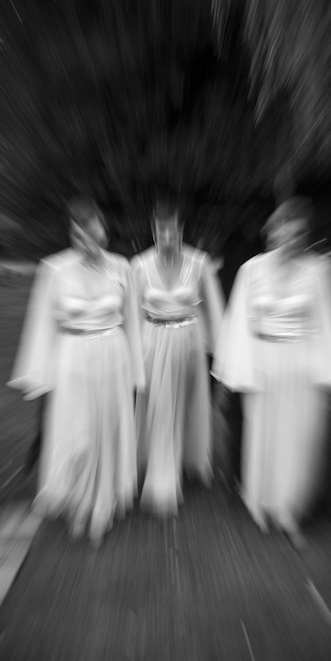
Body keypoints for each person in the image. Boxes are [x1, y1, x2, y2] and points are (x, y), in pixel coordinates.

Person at [213, 196, 331, 548]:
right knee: (264, 434)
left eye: (297, 233)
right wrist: (237, 372)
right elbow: (238, 323)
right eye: (283, 231)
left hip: (302, 367)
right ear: (273, 232)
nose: (289, 239)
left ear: (305, 234)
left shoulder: (322, 270)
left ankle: (291, 508)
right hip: (264, 366)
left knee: (300, 437)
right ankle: (264, 501)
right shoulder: (251, 270)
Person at [8, 195, 145, 547]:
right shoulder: (53, 269)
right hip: (72, 359)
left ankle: (100, 506)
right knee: (77, 434)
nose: (88, 242)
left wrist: (136, 372)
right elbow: (41, 326)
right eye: (80, 235)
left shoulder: (122, 268)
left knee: (106, 430)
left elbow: (131, 322)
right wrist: (40, 376)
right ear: (71, 234)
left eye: (94, 233)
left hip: (113, 357)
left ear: (103, 230)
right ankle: (77, 502)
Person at [131, 195, 225, 515]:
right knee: (160, 407)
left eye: (173, 230)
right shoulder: (139, 265)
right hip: (153, 343)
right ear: (153, 231)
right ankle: (162, 476)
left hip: (190, 343)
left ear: (181, 229)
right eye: (161, 231)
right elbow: (131, 315)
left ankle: (189, 458)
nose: (168, 238)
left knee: (186, 403)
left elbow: (214, 310)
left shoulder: (200, 262)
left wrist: (221, 352)